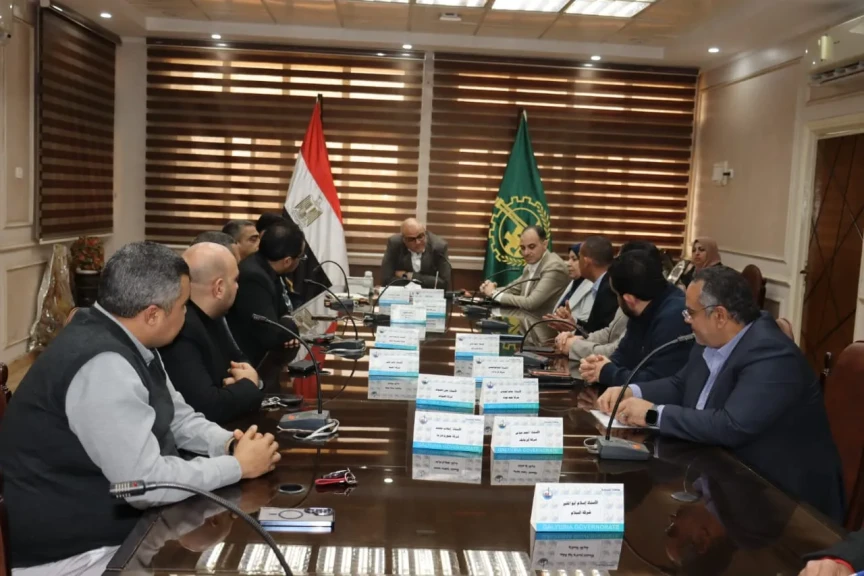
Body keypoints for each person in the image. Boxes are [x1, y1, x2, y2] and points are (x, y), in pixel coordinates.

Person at [0, 241, 280, 576]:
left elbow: (177, 417)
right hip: (73, 554)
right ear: (153, 314)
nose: (187, 314)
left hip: (118, 530)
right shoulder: (104, 365)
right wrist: (236, 467)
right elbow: (146, 484)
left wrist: (229, 443)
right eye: (183, 306)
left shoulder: (126, 337)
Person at [596, 266, 845, 523]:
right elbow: (681, 385)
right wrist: (631, 391)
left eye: (691, 312)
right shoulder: (711, 339)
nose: (686, 319)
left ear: (720, 316)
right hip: (724, 475)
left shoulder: (771, 353)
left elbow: (731, 425)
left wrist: (652, 415)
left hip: (784, 504)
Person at [159, 242, 264, 425]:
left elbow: (240, 361)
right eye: (235, 280)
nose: (238, 287)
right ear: (219, 288)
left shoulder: (214, 316)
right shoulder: (181, 328)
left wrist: (246, 381)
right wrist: (249, 384)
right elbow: (208, 407)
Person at [579, 249, 691, 387]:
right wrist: (598, 365)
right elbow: (625, 353)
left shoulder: (674, 319)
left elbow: (656, 381)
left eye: (617, 295)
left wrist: (607, 372)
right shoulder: (642, 307)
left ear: (629, 300)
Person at [554, 241, 662, 361]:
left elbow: (618, 351)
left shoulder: (636, 297)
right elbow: (609, 332)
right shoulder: (629, 290)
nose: (613, 266)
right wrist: (577, 339)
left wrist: (574, 346)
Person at [227, 221, 306, 367]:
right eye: (300, 257)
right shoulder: (254, 277)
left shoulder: (270, 268)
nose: (300, 261)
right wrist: (291, 326)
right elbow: (271, 335)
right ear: (287, 261)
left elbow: (284, 312)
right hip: (248, 364)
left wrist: (286, 326)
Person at [477, 226, 569, 315]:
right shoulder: (531, 266)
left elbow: (530, 303)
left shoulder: (554, 267)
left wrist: (493, 293)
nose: (526, 253)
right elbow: (512, 289)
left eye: (532, 247)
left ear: (545, 244)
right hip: (526, 321)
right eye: (523, 248)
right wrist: (488, 289)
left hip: (543, 324)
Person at [380, 218, 451, 289]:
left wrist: (411, 276)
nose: (418, 242)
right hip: (403, 293)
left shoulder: (439, 247)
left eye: (420, 236)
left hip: (430, 293)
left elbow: (444, 283)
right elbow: (386, 279)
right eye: (412, 239)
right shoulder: (394, 244)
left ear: (425, 233)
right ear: (404, 240)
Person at [543, 243, 594, 326]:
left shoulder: (592, 287)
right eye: (569, 258)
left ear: (585, 261)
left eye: (574, 259)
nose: (568, 263)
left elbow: (586, 323)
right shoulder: (573, 282)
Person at [576, 235, 618, 333]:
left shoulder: (610, 288)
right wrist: (573, 325)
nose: (578, 262)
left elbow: (604, 333)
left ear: (586, 262)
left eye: (579, 257)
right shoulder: (604, 282)